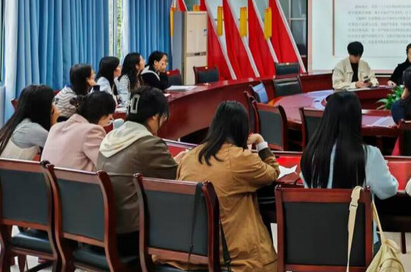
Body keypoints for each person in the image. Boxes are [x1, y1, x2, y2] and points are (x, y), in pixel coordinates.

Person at [174, 102, 279, 272]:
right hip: (233, 257)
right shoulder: (240, 158)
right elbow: (273, 172)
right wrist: (260, 142)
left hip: (193, 253)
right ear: (242, 130)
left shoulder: (189, 157)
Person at [97, 87, 182, 237]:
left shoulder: (110, 137)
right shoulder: (149, 143)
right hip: (133, 233)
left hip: (104, 227)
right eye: (164, 117)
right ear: (154, 117)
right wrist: (183, 161)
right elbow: (177, 179)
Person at [302, 91, 398, 199]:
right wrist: (381, 167)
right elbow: (389, 191)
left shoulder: (310, 153)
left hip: (317, 210)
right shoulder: (369, 155)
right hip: (354, 211)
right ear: (357, 118)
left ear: (327, 116)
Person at [0, 85, 58, 211]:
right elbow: (59, 148)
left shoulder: (18, 124)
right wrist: (54, 122)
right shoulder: (32, 130)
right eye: (52, 103)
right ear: (44, 108)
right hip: (5, 197)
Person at [42, 92, 115, 172]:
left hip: (49, 179)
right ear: (103, 116)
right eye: (110, 118)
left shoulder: (55, 127)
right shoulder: (91, 130)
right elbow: (106, 165)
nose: (109, 121)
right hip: (74, 179)